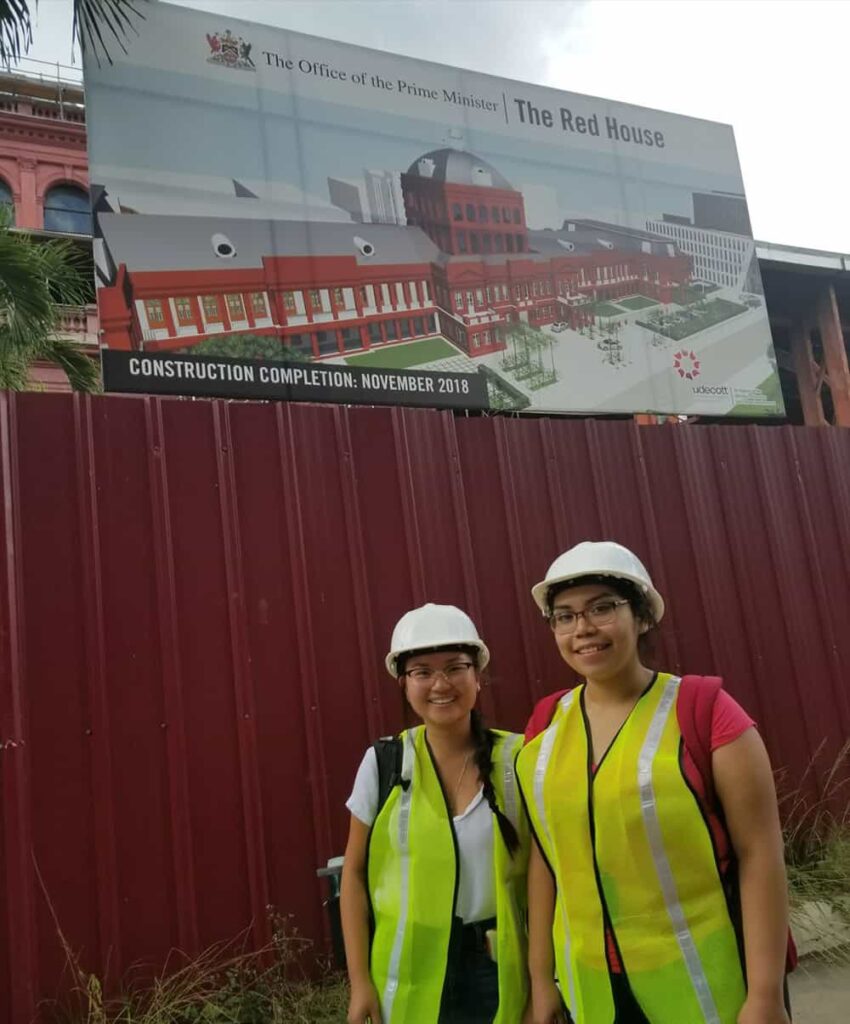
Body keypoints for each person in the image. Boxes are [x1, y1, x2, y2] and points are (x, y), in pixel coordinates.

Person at [515, 542, 792, 1024]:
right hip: (591, 989)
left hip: (706, 983)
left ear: (642, 616)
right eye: (564, 616)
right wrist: (542, 980)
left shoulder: (705, 712)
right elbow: (546, 856)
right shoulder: (544, 726)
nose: (583, 629)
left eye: (602, 608)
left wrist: (764, 996)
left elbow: (760, 854)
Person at [340, 603, 531, 1024]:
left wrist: (544, 979)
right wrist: (360, 984)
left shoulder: (518, 759)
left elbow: (546, 875)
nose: (440, 684)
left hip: (499, 972)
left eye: (454, 667)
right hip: (410, 977)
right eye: (422, 671)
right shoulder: (384, 762)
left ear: (476, 676)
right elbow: (353, 875)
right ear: (405, 684)